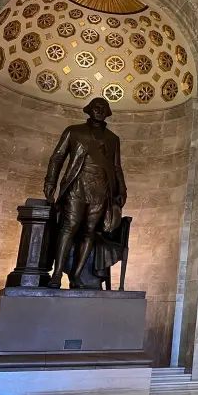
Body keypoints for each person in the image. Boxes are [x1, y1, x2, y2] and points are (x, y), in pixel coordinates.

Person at [45, 97, 127, 289]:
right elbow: (57, 158)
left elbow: (116, 167)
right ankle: (56, 275)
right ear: (89, 110)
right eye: (96, 107)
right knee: (69, 226)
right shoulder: (74, 131)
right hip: (78, 185)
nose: (99, 110)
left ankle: (76, 275)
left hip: (101, 189)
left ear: (108, 112)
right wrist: (51, 182)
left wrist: (122, 189)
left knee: (89, 232)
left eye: (103, 107)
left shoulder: (113, 139)